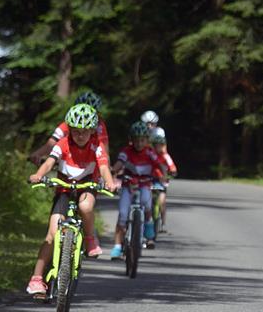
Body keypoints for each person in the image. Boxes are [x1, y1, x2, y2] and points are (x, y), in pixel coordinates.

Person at [26, 104, 117, 296]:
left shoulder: (97, 146)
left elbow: (104, 167)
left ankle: (90, 238)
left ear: (93, 131)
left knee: (85, 206)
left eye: (85, 132)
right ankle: (36, 278)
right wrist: (38, 174)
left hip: (86, 186)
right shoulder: (63, 144)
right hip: (64, 188)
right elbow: (50, 162)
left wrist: (109, 183)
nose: (80, 136)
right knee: (51, 234)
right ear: (70, 130)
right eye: (76, 132)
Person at [110, 121, 167, 258]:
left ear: (147, 140)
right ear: (131, 140)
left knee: (147, 205)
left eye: (142, 140)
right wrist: (113, 170)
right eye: (136, 140)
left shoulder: (150, 153)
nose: (139, 143)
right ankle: (117, 246)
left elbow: (160, 165)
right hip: (128, 184)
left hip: (144, 184)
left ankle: (148, 226)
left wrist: (163, 177)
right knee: (123, 215)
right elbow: (119, 163)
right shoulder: (126, 152)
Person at [29, 90, 110, 164]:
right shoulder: (70, 123)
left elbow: (104, 150)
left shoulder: (100, 125)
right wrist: (38, 154)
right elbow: (51, 143)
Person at [150, 127, 177, 232]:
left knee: (162, 201)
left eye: (160, 145)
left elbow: (172, 166)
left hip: (161, 182)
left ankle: (163, 223)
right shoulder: (150, 155)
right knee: (148, 201)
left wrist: (173, 171)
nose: (158, 148)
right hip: (150, 180)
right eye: (156, 145)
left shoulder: (165, 156)